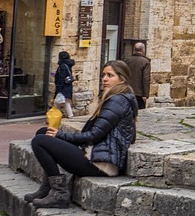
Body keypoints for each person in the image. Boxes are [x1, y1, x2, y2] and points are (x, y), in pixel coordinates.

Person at [24, 60, 138, 208]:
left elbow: (93, 136)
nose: (104, 79)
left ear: (121, 79)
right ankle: (48, 187)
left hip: (101, 164)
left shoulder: (117, 101)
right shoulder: (119, 98)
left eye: (110, 75)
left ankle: (59, 193)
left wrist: (60, 135)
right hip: (95, 154)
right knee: (43, 133)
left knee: (40, 141)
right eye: (103, 75)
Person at [123, 41, 151, 109]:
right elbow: (146, 78)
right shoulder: (145, 61)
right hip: (139, 93)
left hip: (127, 91)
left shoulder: (127, 60)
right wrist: (145, 94)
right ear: (143, 50)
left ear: (134, 50)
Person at [53, 50, 76, 120]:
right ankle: (70, 115)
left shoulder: (62, 66)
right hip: (67, 86)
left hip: (63, 87)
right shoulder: (68, 65)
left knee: (57, 102)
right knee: (66, 102)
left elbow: (61, 77)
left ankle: (54, 116)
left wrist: (59, 88)